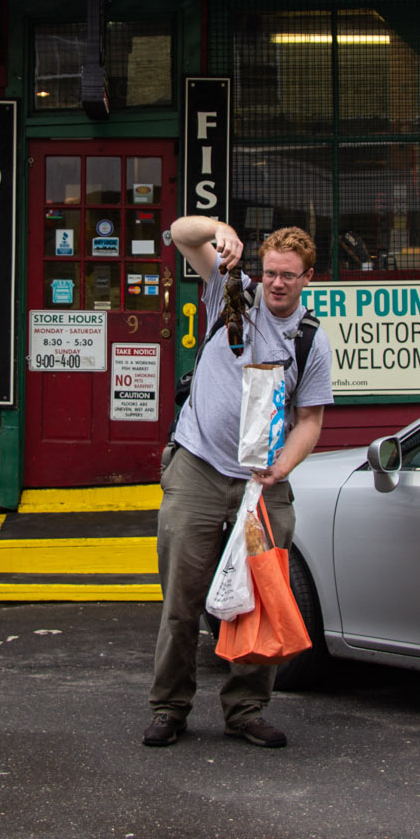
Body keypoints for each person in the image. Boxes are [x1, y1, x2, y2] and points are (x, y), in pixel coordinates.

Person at [145, 219, 332, 750]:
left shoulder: (311, 341)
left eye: (289, 277)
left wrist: (283, 467)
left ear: (307, 279)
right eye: (271, 272)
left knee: (262, 597)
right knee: (182, 600)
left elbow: (311, 420)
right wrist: (220, 229)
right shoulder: (231, 291)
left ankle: (246, 710)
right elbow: (181, 234)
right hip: (198, 468)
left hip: (262, 485)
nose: (277, 283)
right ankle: (169, 707)